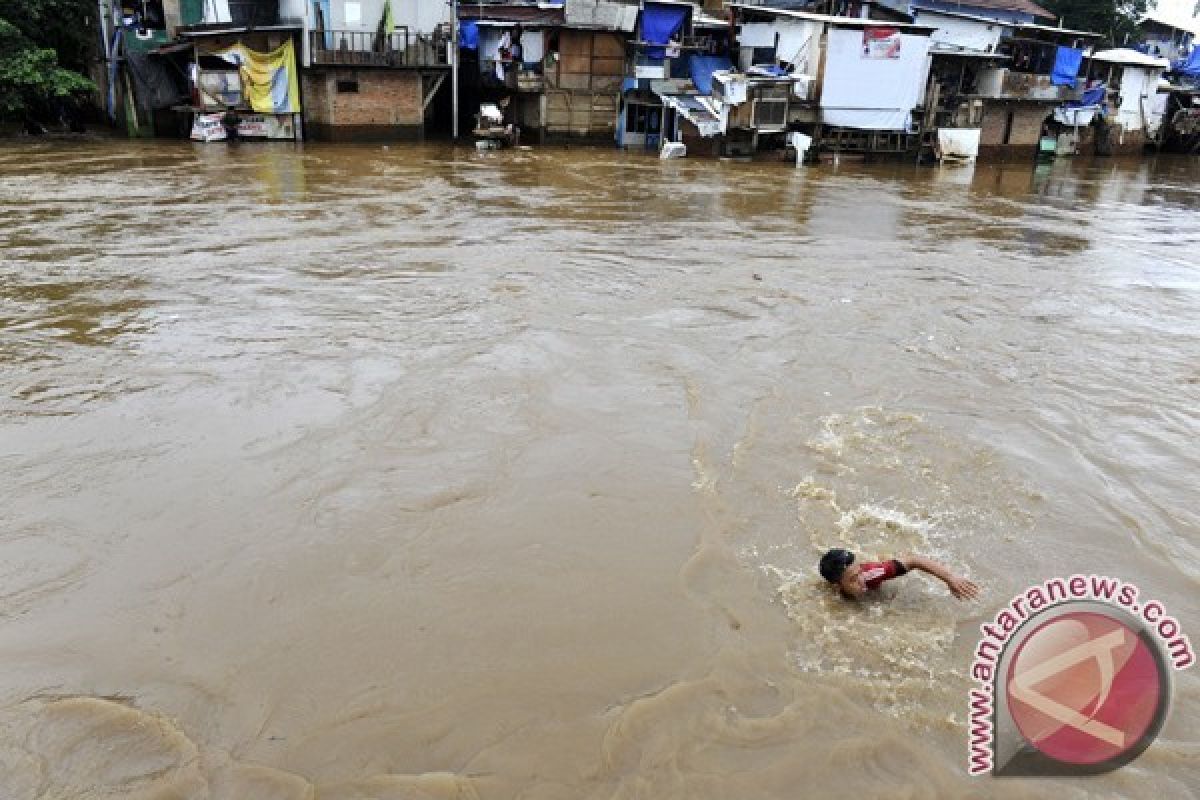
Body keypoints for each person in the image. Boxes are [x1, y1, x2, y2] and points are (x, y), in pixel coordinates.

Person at [818, 548, 979, 600]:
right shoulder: (828, 595)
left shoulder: (871, 574)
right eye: (853, 580)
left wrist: (950, 578)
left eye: (858, 573)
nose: (861, 581)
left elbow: (914, 561)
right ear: (837, 586)